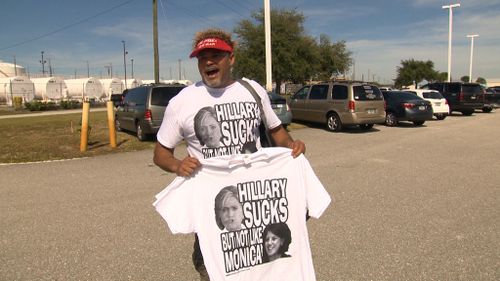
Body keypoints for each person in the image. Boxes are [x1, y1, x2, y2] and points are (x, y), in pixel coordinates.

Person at [153, 28, 306, 281]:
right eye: (203, 57)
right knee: (214, 272)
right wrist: (177, 165)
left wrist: (292, 146)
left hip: (257, 207)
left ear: (231, 58)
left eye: (216, 55)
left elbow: (278, 132)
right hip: (214, 213)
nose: (209, 61)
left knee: (265, 270)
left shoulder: (252, 90)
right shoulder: (182, 102)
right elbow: (160, 154)